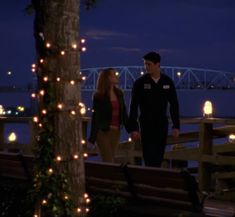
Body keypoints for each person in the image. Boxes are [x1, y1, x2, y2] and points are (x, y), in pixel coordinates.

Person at [128, 51, 180, 167]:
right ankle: (150, 179)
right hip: (146, 125)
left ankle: (156, 180)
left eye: (149, 64)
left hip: (162, 124)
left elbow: (174, 105)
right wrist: (134, 128)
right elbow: (133, 106)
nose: (146, 67)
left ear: (158, 64)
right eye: (145, 64)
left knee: (159, 155)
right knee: (148, 156)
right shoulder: (140, 83)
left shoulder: (168, 82)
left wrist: (176, 125)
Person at [88, 68, 129, 162]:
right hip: (102, 132)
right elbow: (96, 118)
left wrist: (132, 129)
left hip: (116, 132)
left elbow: (124, 113)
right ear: (107, 78)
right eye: (114, 74)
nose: (117, 76)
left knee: (110, 160)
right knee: (108, 160)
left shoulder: (119, 94)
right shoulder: (99, 96)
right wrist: (92, 139)